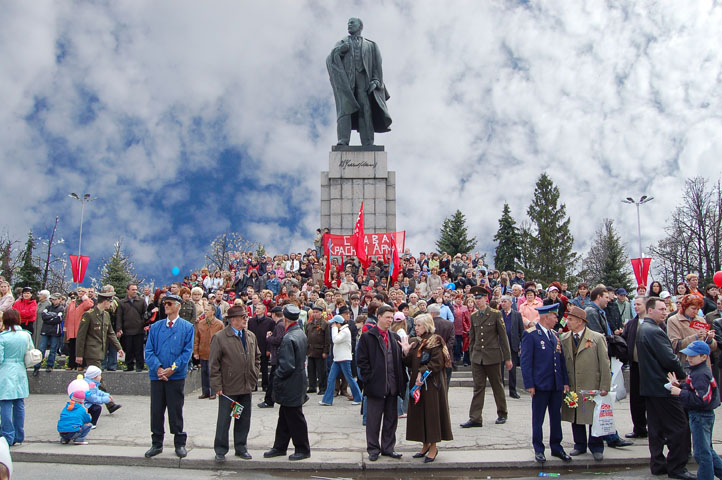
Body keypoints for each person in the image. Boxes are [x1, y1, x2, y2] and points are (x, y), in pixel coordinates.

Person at [637, 296, 693, 479]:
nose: (665, 312)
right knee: (679, 427)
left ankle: (658, 464)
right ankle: (677, 467)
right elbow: (669, 358)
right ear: (650, 310)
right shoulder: (653, 331)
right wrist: (685, 376)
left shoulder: (645, 329)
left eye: (665, 308)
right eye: (661, 309)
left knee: (656, 428)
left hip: (651, 387)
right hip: (664, 386)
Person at [144, 294, 195, 459]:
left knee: (175, 410)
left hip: (175, 377)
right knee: (156, 411)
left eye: (169, 303)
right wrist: (158, 368)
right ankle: (156, 443)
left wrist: (172, 369)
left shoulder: (187, 327)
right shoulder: (156, 327)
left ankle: (179, 443)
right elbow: (149, 351)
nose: (165, 306)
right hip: (157, 376)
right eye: (164, 303)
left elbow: (186, 353)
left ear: (178, 306)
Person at [327, 17, 391, 146]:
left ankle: (368, 142)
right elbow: (330, 59)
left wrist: (376, 80)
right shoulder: (341, 43)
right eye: (348, 23)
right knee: (345, 110)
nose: (349, 25)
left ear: (360, 26)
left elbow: (377, 66)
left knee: (365, 110)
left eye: (352, 23)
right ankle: (343, 140)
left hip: (365, 82)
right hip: (347, 82)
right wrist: (339, 51)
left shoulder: (371, 45)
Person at [520, 303, 571, 464]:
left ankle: (556, 447)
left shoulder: (555, 335)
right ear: (545, 317)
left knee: (556, 417)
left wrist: (565, 382)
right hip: (540, 384)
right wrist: (529, 384)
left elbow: (561, 361)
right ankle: (539, 449)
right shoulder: (531, 334)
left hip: (555, 384)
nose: (557, 319)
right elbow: (526, 361)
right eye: (555, 316)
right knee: (538, 418)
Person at [398, 313, 453, 463]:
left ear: (427, 326)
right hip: (418, 384)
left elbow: (438, 362)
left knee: (431, 415)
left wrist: (422, 373)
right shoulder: (417, 341)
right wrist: (406, 352)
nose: (416, 328)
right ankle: (425, 445)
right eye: (415, 325)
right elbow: (410, 363)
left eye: (418, 325)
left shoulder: (435, 340)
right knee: (419, 415)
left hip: (431, 384)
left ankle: (433, 447)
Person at [356, 304, 407, 461]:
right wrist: (369, 379)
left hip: (392, 385)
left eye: (391, 318)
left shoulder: (394, 337)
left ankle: (388, 448)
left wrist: (405, 352)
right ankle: (373, 449)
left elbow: (401, 361)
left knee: (391, 420)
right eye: (387, 317)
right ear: (379, 317)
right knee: (373, 420)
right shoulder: (367, 337)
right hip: (376, 385)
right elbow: (361, 361)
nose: (390, 321)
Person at [560, 306, 612, 461]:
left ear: (580, 321)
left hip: (591, 383)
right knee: (575, 414)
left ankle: (596, 446)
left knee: (593, 415)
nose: (568, 322)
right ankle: (579, 444)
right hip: (572, 383)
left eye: (571, 319)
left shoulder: (596, 338)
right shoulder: (564, 338)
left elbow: (604, 363)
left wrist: (604, 385)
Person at [210, 306, 260, 462]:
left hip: (246, 386)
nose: (245, 319)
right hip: (228, 388)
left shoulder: (250, 336)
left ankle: (241, 447)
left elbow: (257, 357)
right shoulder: (220, 337)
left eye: (245, 316)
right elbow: (214, 364)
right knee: (224, 419)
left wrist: (254, 375)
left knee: (243, 418)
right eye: (242, 317)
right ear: (233, 320)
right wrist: (217, 386)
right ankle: (220, 449)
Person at [263, 305, 311, 461]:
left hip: (290, 384)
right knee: (285, 416)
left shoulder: (289, 337)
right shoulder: (299, 333)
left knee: (294, 417)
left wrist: (277, 377)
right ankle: (280, 446)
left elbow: (286, 366)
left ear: (285, 319)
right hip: (297, 381)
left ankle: (302, 449)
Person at [670, 340, 722, 480]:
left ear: (704, 357)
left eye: (692, 356)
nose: (688, 359)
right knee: (706, 450)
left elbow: (701, 399)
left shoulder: (700, 374)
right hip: (701, 415)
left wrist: (679, 392)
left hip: (701, 416)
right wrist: (680, 386)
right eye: (688, 356)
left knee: (701, 453)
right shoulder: (697, 371)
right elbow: (694, 391)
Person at [461, 287, 512, 428]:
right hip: (478, 357)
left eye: (480, 298)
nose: (477, 301)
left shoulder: (495, 314)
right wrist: (471, 354)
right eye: (476, 299)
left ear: (486, 299)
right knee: (478, 387)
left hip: (493, 356)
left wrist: (507, 358)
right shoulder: (474, 316)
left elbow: (503, 337)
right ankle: (475, 418)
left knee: (497, 386)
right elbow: (473, 337)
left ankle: (502, 413)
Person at [0, 310, 30, 446]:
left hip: (5, 371)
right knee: (19, 403)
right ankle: (19, 434)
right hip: (20, 370)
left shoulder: (3, 337)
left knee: (5, 403)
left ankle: (7, 435)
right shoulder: (25, 335)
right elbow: (30, 353)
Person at [621, 295, 649, 439]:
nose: (636, 307)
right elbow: (624, 341)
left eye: (639, 304)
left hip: (651, 367)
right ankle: (639, 428)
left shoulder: (654, 323)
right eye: (635, 304)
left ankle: (655, 428)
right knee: (636, 399)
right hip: (635, 365)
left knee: (651, 399)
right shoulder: (631, 324)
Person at [319, 315, 363, 406]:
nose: (332, 325)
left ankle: (358, 397)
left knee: (349, 378)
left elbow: (335, 340)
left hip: (344, 359)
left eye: (334, 323)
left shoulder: (345, 331)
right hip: (338, 359)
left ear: (338, 323)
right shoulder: (343, 330)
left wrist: (334, 329)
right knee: (331, 379)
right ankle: (327, 400)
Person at [75, 292, 124, 370]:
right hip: (91, 352)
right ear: (105, 302)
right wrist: (79, 354)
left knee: (94, 377)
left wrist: (119, 348)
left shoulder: (106, 315)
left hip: (101, 351)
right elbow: (81, 336)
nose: (111, 304)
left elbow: (110, 333)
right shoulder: (89, 315)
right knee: (97, 377)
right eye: (110, 302)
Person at [668, 295, 716, 367]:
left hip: (704, 364)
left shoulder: (701, 320)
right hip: (686, 363)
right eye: (693, 308)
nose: (696, 312)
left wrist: (709, 339)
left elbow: (712, 348)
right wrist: (696, 336)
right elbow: (675, 345)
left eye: (698, 309)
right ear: (684, 307)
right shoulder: (673, 320)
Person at [194, 303, 224, 400]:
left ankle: (213, 392)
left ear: (213, 312)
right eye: (205, 310)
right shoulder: (201, 323)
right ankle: (205, 392)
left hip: (215, 352)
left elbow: (223, 339)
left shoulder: (219, 324)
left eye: (207, 310)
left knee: (213, 372)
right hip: (203, 352)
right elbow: (196, 338)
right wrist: (196, 352)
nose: (205, 312)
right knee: (204, 373)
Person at [258, 305, 286, 409]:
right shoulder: (280, 324)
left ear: (274, 314)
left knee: (273, 380)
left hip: (278, 357)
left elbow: (279, 340)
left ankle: (269, 401)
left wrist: (269, 338)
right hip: (279, 357)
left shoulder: (279, 325)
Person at [499, 295, 524, 399]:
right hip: (500, 346)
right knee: (499, 370)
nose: (503, 303)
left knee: (512, 369)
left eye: (505, 301)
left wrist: (521, 345)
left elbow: (521, 331)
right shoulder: (498, 314)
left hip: (513, 345)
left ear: (510, 303)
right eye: (502, 302)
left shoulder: (517, 315)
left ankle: (513, 390)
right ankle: (500, 391)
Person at [34, 293, 64, 375]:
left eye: (55, 299)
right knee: (41, 348)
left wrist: (50, 318)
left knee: (53, 349)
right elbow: (44, 316)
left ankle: (50, 365)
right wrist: (52, 317)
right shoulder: (47, 307)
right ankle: (37, 366)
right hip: (45, 330)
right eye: (52, 299)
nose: (53, 301)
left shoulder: (61, 308)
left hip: (55, 331)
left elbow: (58, 319)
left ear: (59, 299)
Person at [64, 289, 94, 371]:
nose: (81, 293)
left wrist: (85, 298)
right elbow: (68, 315)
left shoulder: (87, 301)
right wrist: (66, 327)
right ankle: (71, 364)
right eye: (79, 292)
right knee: (72, 347)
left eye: (83, 292)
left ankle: (81, 365)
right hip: (71, 328)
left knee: (80, 347)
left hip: (80, 328)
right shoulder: (73, 302)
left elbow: (89, 305)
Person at [248, 304, 274, 392]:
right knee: (253, 367)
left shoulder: (269, 322)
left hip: (264, 346)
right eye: (256, 308)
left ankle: (265, 385)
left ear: (264, 310)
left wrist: (269, 349)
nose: (257, 310)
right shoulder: (251, 321)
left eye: (259, 308)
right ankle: (253, 385)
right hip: (253, 347)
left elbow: (272, 335)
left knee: (264, 367)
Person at [305, 305, 329, 394]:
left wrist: (326, 351)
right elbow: (306, 336)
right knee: (311, 370)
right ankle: (312, 386)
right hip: (311, 350)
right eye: (313, 312)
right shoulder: (309, 324)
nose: (315, 314)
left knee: (321, 370)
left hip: (320, 350)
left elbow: (327, 339)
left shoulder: (325, 324)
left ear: (321, 313)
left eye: (317, 312)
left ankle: (323, 387)